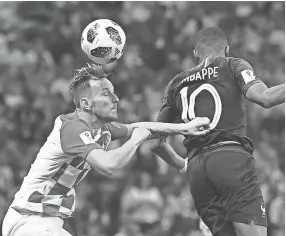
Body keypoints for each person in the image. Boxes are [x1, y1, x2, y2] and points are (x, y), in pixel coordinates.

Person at [2, 64, 210, 236]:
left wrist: (184, 127)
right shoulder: (71, 127)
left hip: (50, 222)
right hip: (29, 220)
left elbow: (144, 127)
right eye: (106, 94)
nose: (116, 98)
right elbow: (108, 165)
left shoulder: (102, 130)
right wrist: (136, 140)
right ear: (85, 103)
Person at [150, 27, 285, 236]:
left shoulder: (175, 83)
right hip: (231, 159)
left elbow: (156, 143)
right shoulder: (232, 65)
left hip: (197, 171)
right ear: (227, 49)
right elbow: (265, 98)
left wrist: (183, 166)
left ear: (196, 53)